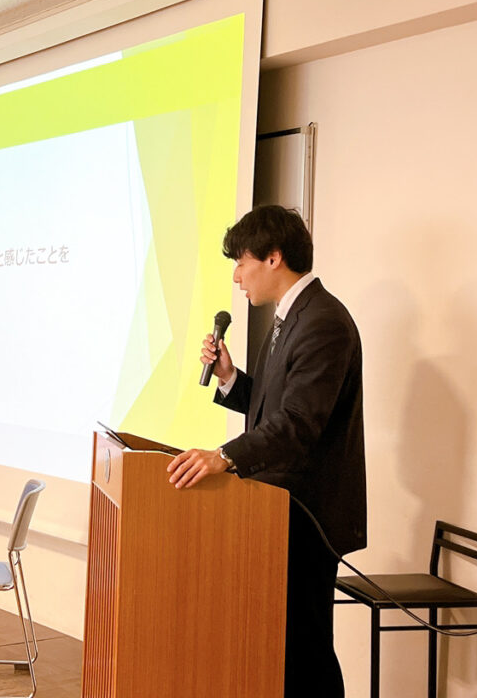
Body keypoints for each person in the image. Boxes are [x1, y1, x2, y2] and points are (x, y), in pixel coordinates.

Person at [166, 205, 365, 698]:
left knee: (306, 648)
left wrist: (224, 456)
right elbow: (274, 406)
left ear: (274, 258)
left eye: (242, 262)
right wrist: (230, 378)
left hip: (306, 513)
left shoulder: (322, 322)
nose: (237, 277)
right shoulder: (290, 318)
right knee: (285, 645)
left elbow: (298, 423)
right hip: (279, 509)